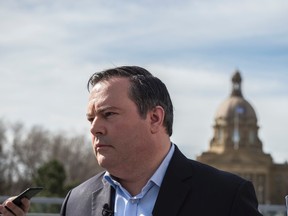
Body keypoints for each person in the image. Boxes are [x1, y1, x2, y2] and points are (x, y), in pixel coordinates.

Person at [1, 66, 263, 216]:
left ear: (154, 118)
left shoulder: (226, 197)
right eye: (90, 118)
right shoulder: (77, 202)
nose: (95, 129)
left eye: (108, 114)